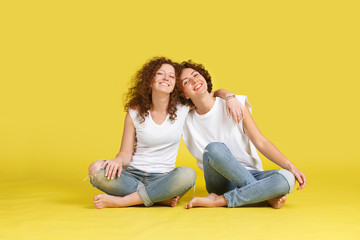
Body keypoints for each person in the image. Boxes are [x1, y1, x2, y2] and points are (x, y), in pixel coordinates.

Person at [87, 57, 240, 209]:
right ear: (149, 80)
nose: (166, 78)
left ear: (175, 86)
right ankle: (158, 197)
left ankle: (122, 201)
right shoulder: (135, 112)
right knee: (95, 168)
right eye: (160, 74)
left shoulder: (183, 108)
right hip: (132, 175)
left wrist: (230, 97)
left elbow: (212, 94)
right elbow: (125, 154)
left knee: (188, 175)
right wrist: (117, 161)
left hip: (163, 179)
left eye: (172, 76)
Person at [177, 60, 307, 209]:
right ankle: (262, 195)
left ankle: (221, 200)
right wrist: (226, 94)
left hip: (251, 173)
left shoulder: (235, 103)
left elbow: (261, 142)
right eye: (186, 82)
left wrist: (291, 167)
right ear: (183, 94)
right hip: (220, 182)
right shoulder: (184, 118)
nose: (194, 81)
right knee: (214, 149)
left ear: (204, 77)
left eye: (196, 75)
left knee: (287, 178)